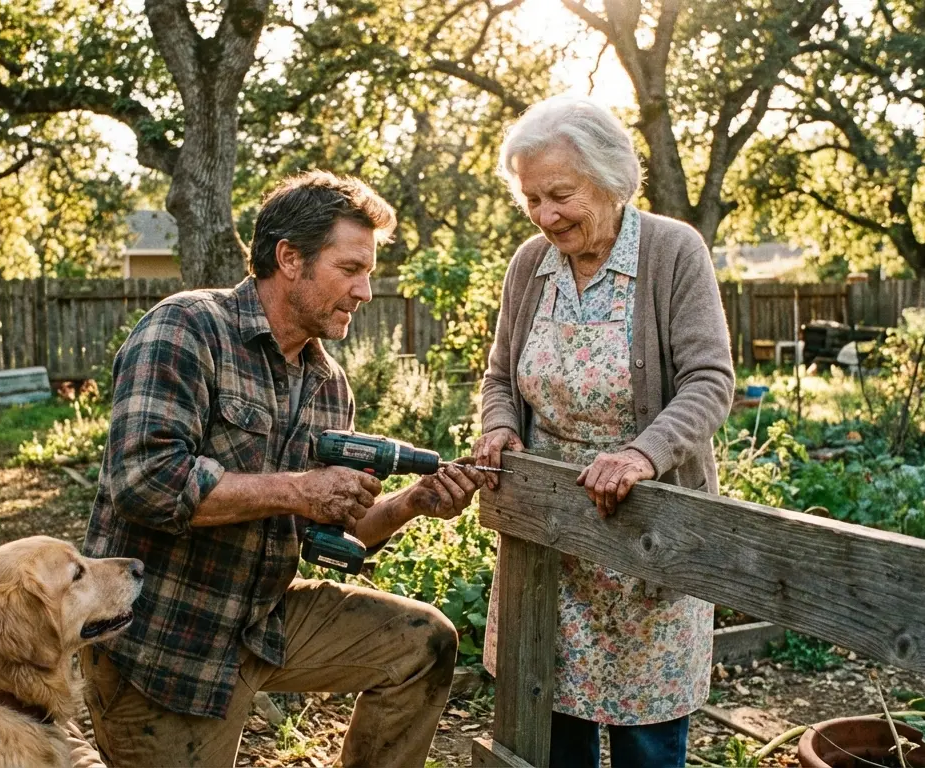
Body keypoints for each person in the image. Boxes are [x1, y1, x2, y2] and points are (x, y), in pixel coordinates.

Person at [83, 170, 491, 767]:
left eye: (368, 272)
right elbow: (143, 482)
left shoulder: (329, 386)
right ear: (290, 259)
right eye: (350, 270)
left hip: (262, 620)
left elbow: (325, 534)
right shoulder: (189, 328)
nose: (366, 291)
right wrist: (299, 490)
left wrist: (411, 503)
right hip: (167, 641)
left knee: (422, 645)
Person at [472, 95, 735, 768]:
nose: (545, 215)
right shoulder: (531, 265)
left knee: (647, 746)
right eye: (531, 199)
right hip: (547, 545)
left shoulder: (674, 252)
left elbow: (710, 382)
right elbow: (500, 378)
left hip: (645, 534)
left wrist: (641, 456)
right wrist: (499, 429)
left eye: (560, 194)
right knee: (551, 734)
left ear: (612, 180)